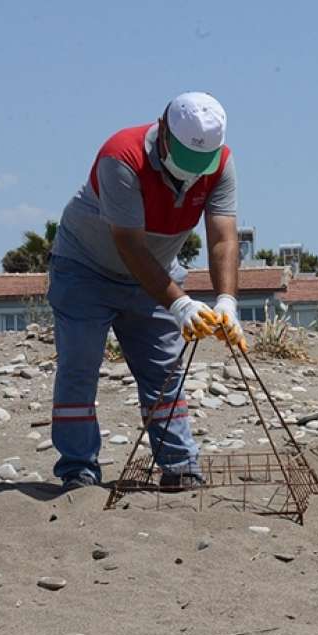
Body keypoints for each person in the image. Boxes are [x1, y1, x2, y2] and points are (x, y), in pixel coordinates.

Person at [47, 92, 245, 492]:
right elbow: (130, 245)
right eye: (186, 160)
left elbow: (222, 236)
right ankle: (78, 469)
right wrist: (180, 303)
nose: (192, 174)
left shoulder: (220, 164)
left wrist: (227, 301)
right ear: (164, 129)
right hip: (87, 269)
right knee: (80, 368)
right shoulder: (121, 157)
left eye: (200, 165)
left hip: (156, 271)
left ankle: (179, 465)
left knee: (164, 372)